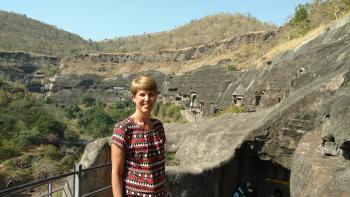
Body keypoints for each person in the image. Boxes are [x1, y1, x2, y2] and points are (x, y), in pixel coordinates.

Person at [111, 76, 169, 197]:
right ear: (134, 98)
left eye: (151, 94)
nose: (147, 99)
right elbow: (116, 173)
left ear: (156, 97)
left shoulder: (158, 126)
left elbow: (160, 167)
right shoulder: (123, 129)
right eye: (142, 94)